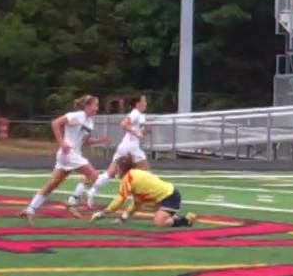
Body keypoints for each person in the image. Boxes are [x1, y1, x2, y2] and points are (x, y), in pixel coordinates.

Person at [19, 95, 110, 223]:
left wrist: (99, 141)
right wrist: (62, 142)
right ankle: (71, 202)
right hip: (69, 153)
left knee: (53, 184)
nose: (97, 108)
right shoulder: (77, 115)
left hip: (71, 155)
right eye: (95, 105)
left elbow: (86, 141)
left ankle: (30, 209)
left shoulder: (90, 121)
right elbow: (55, 123)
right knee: (94, 176)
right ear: (87, 106)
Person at [89, 154, 197, 227]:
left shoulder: (128, 178)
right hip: (165, 196)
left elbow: (119, 200)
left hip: (169, 197)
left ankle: (185, 220)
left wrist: (102, 213)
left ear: (122, 168)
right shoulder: (133, 174)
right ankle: (170, 215)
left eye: (117, 167)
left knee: (158, 223)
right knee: (143, 205)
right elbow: (137, 203)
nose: (115, 170)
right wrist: (123, 218)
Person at [84, 95, 150, 202]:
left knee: (110, 173)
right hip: (131, 148)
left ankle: (91, 191)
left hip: (124, 146)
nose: (146, 103)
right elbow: (123, 124)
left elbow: (137, 129)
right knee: (146, 173)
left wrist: (144, 131)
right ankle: (149, 199)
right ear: (138, 103)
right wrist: (136, 132)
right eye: (144, 101)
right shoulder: (135, 113)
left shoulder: (139, 115)